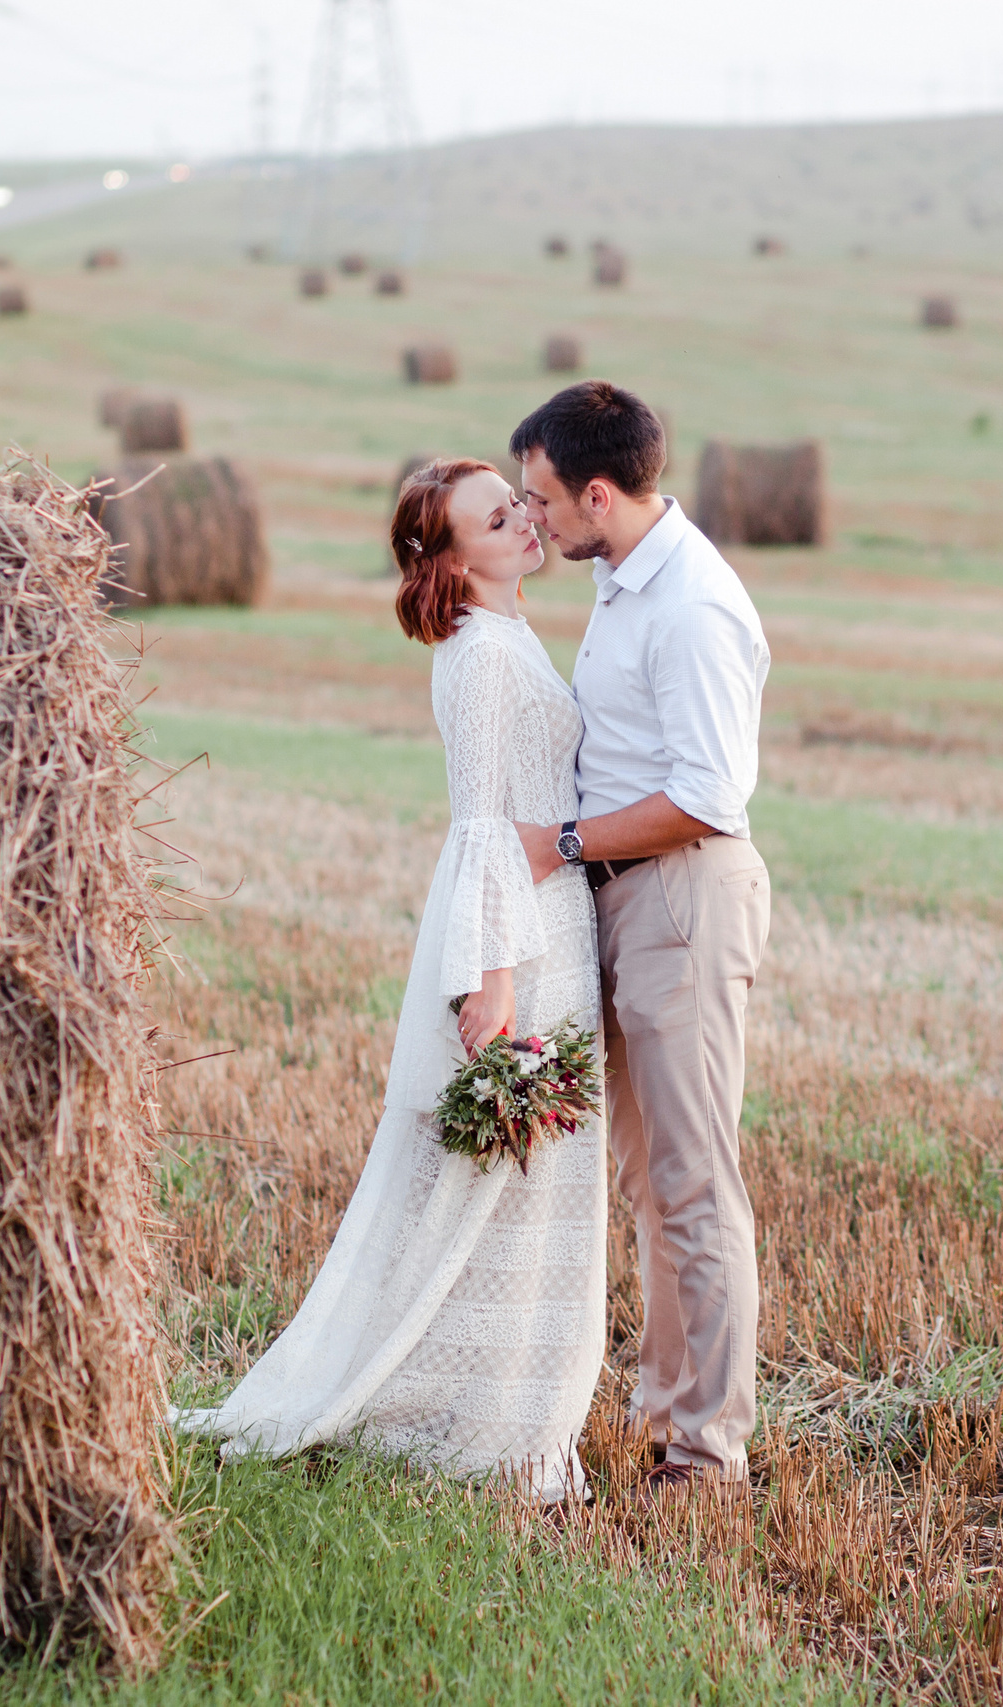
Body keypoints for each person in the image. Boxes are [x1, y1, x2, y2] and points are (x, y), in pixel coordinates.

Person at [173, 458, 607, 1505]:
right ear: (451, 563)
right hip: (523, 936)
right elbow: (480, 826)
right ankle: (484, 1423)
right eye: (493, 520)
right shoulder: (480, 657)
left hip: (546, 917)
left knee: (528, 1186)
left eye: (516, 504)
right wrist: (490, 981)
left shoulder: (503, 639)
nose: (522, 522)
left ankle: (504, 1412)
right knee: (504, 1182)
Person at [508, 382, 773, 1493]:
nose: (535, 521)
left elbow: (709, 797)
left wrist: (558, 843)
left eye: (542, 499)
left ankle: (707, 1453)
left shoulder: (693, 608)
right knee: (647, 1181)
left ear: (600, 494)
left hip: (681, 897)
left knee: (695, 1179)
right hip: (621, 894)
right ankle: (666, 1409)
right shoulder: (624, 578)